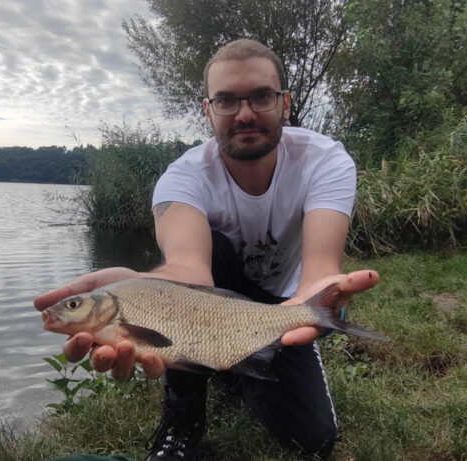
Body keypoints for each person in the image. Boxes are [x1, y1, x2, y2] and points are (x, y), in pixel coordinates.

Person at [34, 39, 379, 460]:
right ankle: (184, 416)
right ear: (208, 110)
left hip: (287, 301)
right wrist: (140, 286)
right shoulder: (183, 179)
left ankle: (238, 367)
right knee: (180, 288)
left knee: (314, 438)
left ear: (285, 103)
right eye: (227, 100)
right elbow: (188, 270)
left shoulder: (326, 161)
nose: (245, 112)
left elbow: (320, 268)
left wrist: (317, 303)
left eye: (261, 96)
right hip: (209, 296)